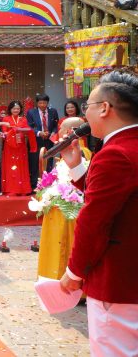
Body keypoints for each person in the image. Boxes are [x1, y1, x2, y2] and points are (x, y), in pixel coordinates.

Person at [59, 71, 138, 356]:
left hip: (120, 281)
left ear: (105, 108)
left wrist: (74, 271)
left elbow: (95, 221)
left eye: (87, 106)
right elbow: (120, 198)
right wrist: (76, 167)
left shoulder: (115, 153)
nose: (85, 115)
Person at [37, 117, 91, 281]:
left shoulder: (80, 152)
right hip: (59, 206)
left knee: (64, 248)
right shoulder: (70, 150)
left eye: (60, 128)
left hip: (67, 210)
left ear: (68, 131)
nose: (58, 132)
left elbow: (75, 184)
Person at [1, 101, 37, 195]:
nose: (16, 110)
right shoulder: (6, 118)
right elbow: (4, 132)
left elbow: (27, 130)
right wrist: (12, 132)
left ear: (20, 109)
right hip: (9, 146)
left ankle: (22, 189)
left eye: (18, 108)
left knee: (21, 166)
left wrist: (22, 131)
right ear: (10, 109)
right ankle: (11, 189)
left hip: (21, 145)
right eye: (14, 108)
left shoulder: (23, 119)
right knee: (10, 166)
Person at [27, 94, 59, 189]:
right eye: (40, 103)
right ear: (37, 103)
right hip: (35, 141)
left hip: (49, 140)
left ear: (47, 103)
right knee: (35, 162)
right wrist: (39, 132)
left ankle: (48, 185)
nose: (42, 105)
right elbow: (29, 126)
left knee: (49, 161)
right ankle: (35, 185)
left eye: (44, 103)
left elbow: (56, 125)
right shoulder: (31, 112)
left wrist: (53, 132)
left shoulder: (53, 111)